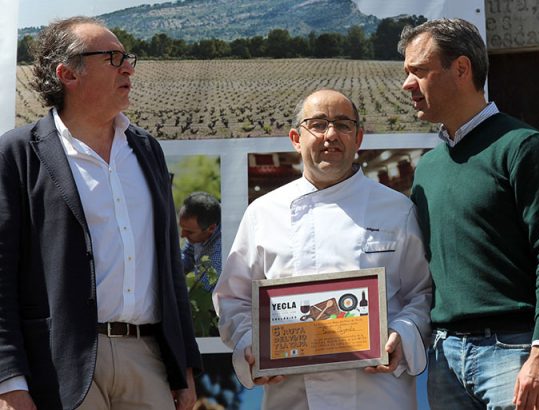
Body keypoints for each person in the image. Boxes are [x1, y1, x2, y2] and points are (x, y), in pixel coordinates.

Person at [0, 17, 201, 410]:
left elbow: (168, 266)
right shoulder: (18, 154)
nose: (128, 67)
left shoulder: (146, 149)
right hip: (62, 366)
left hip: (148, 360)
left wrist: (185, 368)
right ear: (67, 74)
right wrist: (9, 381)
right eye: (112, 58)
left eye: (127, 57)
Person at [398, 18, 539, 410]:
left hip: (513, 354)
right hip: (444, 358)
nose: (407, 85)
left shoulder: (523, 147)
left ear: (461, 69)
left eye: (418, 72)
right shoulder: (428, 168)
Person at [212, 89, 432, 410]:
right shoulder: (263, 213)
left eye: (343, 125)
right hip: (293, 396)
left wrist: (404, 335)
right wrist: (250, 344)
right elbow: (233, 299)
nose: (331, 134)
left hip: (378, 393)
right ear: (295, 138)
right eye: (318, 124)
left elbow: (422, 294)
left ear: (358, 139)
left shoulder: (396, 209)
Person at [179, 191, 222, 291]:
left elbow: (200, 293)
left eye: (189, 232)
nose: (182, 235)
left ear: (211, 228)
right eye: (182, 228)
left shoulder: (219, 254)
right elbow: (188, 254)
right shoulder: (200, 227)